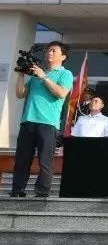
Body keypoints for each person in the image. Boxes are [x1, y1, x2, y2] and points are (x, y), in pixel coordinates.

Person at [11, 41, 73, 198]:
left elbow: (61, 93)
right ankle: (17, 190)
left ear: (63, 56)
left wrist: (44, 77)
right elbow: (20, 93)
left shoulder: (65, 74)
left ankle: (42, 193)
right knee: (22, 159)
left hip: (48, 124)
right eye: (48, 50)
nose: (49, 53)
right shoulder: (36, 75)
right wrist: (21, 75)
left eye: (53, 50)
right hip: (28, 122)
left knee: (45, 161)